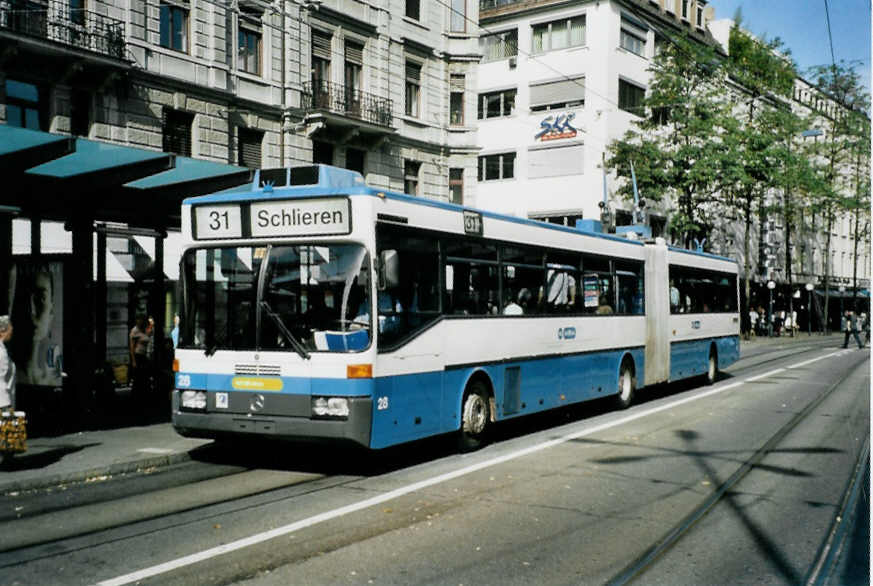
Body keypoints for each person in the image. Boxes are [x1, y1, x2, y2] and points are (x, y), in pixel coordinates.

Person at [9, 265, 61, 387]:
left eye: (41, 298)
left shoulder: (53, 380)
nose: (31, 311)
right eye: (23, 298)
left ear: (51, 311)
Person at [129, 315, 152, 399]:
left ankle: (144, 394)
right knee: (138, 377)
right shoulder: (134, 331)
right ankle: (136, 395)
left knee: (144, 376)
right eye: (139, 320)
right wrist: (133, 361)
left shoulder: (144, 330)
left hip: (144, 355)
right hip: (137, 355)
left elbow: (149, 336)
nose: (140, 321)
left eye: (142, 320)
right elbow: (132, 347)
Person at [0, 316, 16, 411]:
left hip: (6, 400)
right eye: (10, 327)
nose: (12, 330)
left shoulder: (3, 349)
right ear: (2, 331)